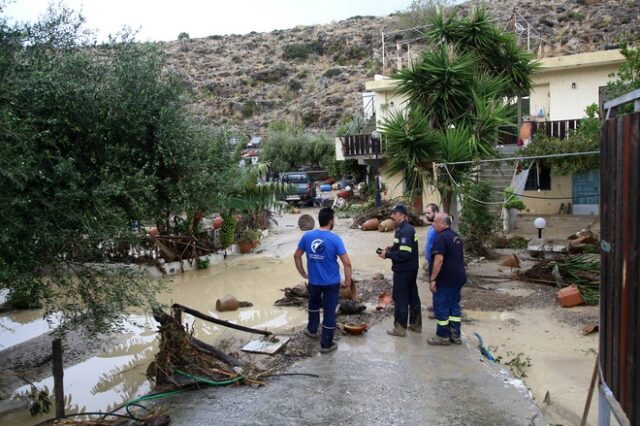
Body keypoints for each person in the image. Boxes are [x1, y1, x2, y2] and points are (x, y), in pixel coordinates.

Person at [294, 207, 352, 354]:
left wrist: (303, 273)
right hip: (331, 283)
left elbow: (296, 255)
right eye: (334, 219)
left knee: (313, 305)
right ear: (331, 221)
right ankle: (326, 344)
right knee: (329, 312)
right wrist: (348, 281)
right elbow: (347, 263)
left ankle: (312, 330)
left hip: (314, 281)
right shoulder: (335, 239)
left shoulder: (307, 236)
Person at [378, 204, 422, 336]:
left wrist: (387, 255)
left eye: (395, 214)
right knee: (413, 296)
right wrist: (393, 248)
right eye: (392, 213)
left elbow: (405, 254)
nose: (392, 216)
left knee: (401, 298)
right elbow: (403, 247)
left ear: (402, 216)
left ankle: (400, 328)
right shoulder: (401, 229)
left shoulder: (405, 231)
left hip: (404, 271)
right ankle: (415, 325)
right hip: (410, 269)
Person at [427, 212, 466, 346]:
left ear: (443, 224)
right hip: (458, 279)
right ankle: (455, 335)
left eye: (435, 222)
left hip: (445, 280)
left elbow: (439, 259)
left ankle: (443, 336)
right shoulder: (456, 237)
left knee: (441, 307)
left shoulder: (441, 238)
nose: (433, 224)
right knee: (454, 307)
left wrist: (433, 279)